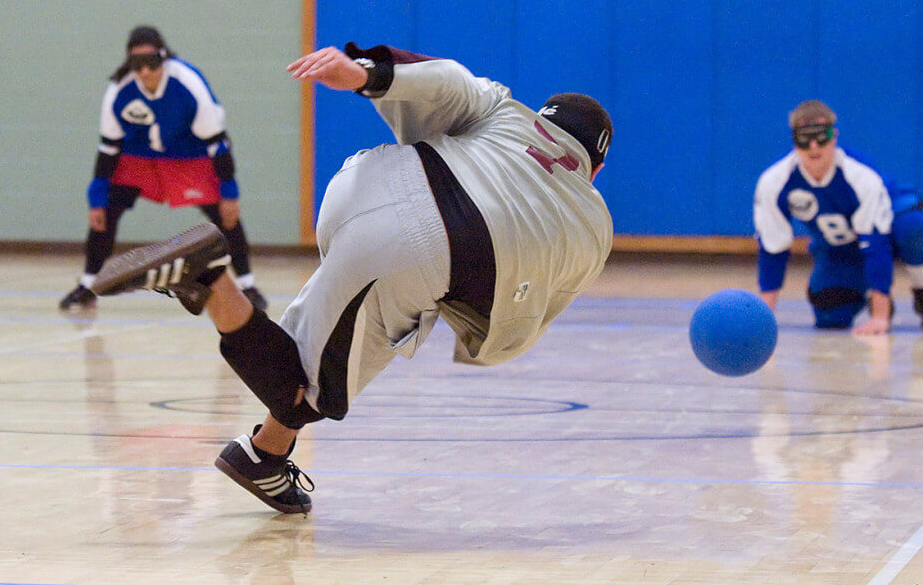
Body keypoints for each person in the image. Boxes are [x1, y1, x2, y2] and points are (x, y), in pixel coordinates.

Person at [90, 42, 614, 514]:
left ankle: (262, 459)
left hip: (366, 182)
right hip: (421, 247)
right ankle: (209, 280)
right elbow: (514, 323)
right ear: (594, 169)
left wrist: (365, 73)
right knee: (309, 389)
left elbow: (448, 78)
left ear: (541, 119)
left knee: (335, 351)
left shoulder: (504, 110)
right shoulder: (595, 225)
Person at [59, 26, 267, 312]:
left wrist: (229, 191)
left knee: (226, 217)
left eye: (152, 63)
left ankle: (247, 284)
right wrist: (96, 198)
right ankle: (88, 284)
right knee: (104, 213)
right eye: (136, 65)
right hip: (139, 156)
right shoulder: (119, 90)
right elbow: (107, 147)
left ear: (165, 58)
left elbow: (217, 143)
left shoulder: (188, 82)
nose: (144, 72)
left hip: (188, 154)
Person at [753, 99, 923, 335]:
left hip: (886, 230)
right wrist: (762, 319)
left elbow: (875, 243)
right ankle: (869, 291)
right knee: (830, 315)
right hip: (841, 247)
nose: (814, 146)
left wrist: (880, 317)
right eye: (805, 138)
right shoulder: (774, 182)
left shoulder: (859, 175)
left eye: (821, 136)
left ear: (834, 136)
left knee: (913, 225)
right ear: (794, 140)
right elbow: (773, 247)